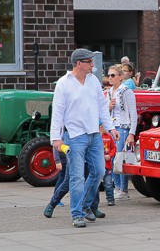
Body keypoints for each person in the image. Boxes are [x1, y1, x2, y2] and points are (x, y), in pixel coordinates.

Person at [50, 48, 120, 228]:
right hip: (74, 136)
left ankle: (85, 205)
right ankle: (77, 214)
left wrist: (111, 128)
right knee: (76, 177)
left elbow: (102, 107)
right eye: (89, 62)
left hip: (94, 134)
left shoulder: (93, 81)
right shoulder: (63, 83)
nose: (93, 65)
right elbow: (57, 113)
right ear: (79, 63)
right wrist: (56, 138)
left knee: (99, 172)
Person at [106, 64, 138, 200]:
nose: (110, 78)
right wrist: (109, 107)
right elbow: (104, 112)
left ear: (120, 77)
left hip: (122, 127)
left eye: (113, 75)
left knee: (120, 158)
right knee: (111, 158)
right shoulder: (108, 92)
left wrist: (131, 133)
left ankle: (123, 189)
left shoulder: (126, 91)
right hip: (111, 128)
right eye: (108, 75)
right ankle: (117, 187)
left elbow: (133, 113)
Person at [88, 125, 117, 212]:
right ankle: (95, 202)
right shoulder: (96, 138)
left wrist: (110, 155)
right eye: (105, 127)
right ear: (100, 127)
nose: (107, 129)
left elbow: (114, 148)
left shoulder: (109, 137)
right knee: (96, 184)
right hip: (98, 165)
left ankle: (110, 199)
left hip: (108, 165)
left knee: (108, 183)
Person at [43, 145, 70, 218]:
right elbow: (55, 146)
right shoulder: (62, 136)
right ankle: (55, 199)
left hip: (67, 159)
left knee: (63, 179)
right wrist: (57, 161)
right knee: (63, 179)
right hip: (64, 160)